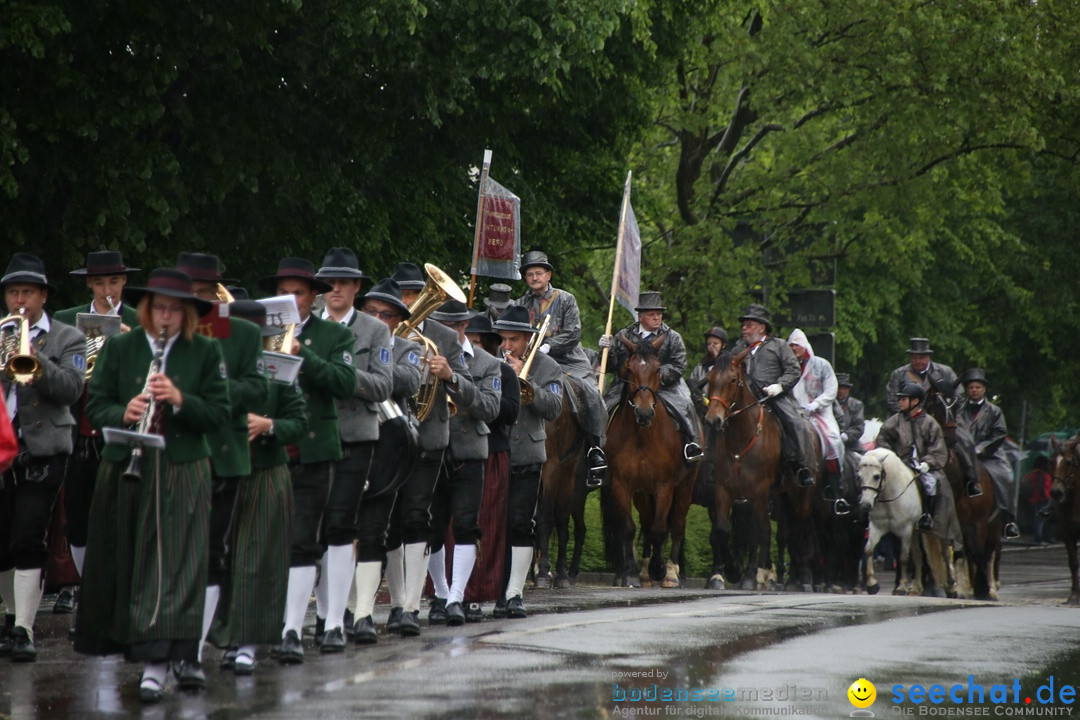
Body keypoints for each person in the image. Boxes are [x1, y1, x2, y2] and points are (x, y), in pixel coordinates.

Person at [74, 268, 230, 703]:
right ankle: (142, 650)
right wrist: (124, 412)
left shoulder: (203, 352)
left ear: (187, 315)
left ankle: (162, 662)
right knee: (132, 566)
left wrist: (180, 399)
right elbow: (98, 404)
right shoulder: (121, 347)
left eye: (175, 311)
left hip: (182, 469)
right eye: (159, 308)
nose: (165, 318)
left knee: (174, 566)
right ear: (145, 309)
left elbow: (218, 415)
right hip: (128, 466)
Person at [173, 252, 268, 687]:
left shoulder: (240, 331)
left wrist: (210, 391)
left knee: (212, 553)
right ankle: (166, 643)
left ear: (215, 293)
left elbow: (257, 386)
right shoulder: (158, 328)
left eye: (201, 293)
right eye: (185, 292)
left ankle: (191, 651)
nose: (192, 300)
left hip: (223, 453)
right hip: (170, 454)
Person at [258, 258, 358, 664]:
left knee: (305, 539)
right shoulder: (258, 332)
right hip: (270, 449)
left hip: (314, 451)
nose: (290, 300)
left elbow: (345, 383)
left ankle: (294, 630)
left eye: (298, 293)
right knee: (273, 540)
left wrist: (303, 355)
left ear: (312, 297)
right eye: (284, 292)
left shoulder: (334, 335)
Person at [210, 299, 307, 675]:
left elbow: (298, 422)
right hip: (221, 471)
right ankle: (226, 636)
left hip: (266, 472)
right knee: (223, 561)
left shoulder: (278, 369)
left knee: (257, 562)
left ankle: (247, 642)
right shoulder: (211, 370)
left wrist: (269, 425)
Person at [0, 253, 85, 663]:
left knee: (28, 537)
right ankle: (11, 620)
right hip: (3, 450)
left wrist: (35, 360)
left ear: (44, 296)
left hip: (46, 449)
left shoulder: (68, 337)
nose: (20, 300)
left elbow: (71, 389)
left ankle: (24, 628)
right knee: (2, 542)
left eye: (28, 293)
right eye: (14, 292)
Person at [308, 248, 393, 652]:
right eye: (328, 284)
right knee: (313, 529)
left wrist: (341, 376)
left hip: (356, 436)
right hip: (311, 435)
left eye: (343, 283)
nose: (334, 290)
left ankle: (337, 617)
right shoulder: (305, 327)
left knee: (342, 524)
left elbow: (382, 386)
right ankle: (324, 613)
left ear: (356, 287)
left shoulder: (376, 330)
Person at [383, 262, 473, 637]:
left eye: (415, 293)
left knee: (418, 516)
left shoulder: (443, 337)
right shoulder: (378, 330)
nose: (410, 301)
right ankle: (397, 600)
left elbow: (471, 393)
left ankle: (410, 606)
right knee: (389, 521)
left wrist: (449, 376)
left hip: (429, 437)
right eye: (403, 295)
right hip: (389, 434)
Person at [53, 250, 141, 621]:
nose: (108, 290)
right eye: (100, 282)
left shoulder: (139, 321)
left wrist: (131, 340)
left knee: (122, 518)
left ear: (124, 283)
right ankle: (89, 589)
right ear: (89, 283)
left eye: (114, 282)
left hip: (120, 432)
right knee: (77, 521)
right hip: (78, 430)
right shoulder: (65, 320)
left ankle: (116, 596)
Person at [350, 278, 423, 643]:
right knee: (345, 527)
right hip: (353, 436)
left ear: (397, 321)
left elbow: (410, 381)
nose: (378, 318)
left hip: (395, 443)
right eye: (372, 312)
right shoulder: (349, 337)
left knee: (392, 527)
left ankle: (399, 604)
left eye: (387, 315)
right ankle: (350, 610)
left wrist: (371, 364)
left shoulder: (408, 347)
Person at [425, 300, 501, 627]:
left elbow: (490, 408)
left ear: (463, 327)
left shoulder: (487, 363)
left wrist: (453, 377)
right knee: (433, 527)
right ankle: (441, 594)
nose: (442, 334)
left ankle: (457, 597)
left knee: (467, 524)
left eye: (450, 328)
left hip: (469, 449)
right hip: (433, 449)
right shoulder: (423, 352)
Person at [513, 250, 606, 484]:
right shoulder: (520, 304)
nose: (534, 278)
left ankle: (594, 449)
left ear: (548, 275)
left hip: (568, 359)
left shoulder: (566, 299)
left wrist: (548, 347)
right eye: (530, 274)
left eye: (538, 273)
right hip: (529, 359)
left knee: (591, 393)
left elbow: (574, 332)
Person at [494, 305, 561, 618]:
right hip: (495, 451)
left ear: (529, 340)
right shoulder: (491, 361)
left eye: (515, 340)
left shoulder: (546, 366)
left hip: (528, 455)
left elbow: (554, 408)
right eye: (504, 339)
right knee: (496, 525)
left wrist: (528, 383)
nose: (508, 346)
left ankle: (515, 592)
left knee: (521, 522)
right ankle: (495, 591)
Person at [599, 291, 703, 463]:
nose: (657, 318)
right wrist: (607, 350)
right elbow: (611, 366)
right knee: (602, 405)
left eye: (659, 314)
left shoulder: (673, 336)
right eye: (651, 314)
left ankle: (692, 443)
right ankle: (597, 449)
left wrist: (654, 376)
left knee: (686, 403)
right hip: (628, 385)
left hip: (667, 384)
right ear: (640, 317)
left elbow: (680, 365)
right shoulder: (623, 335)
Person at [461, 313, 519, 622]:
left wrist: (479, 402)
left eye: (478, 341)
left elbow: (510, 411)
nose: (471, 346)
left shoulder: (502, 371)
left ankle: (480, 593)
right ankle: (453, 592)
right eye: (468, 340)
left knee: (491, 526)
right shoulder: (455, 366)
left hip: (493, 452)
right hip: (459, 451)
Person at [728, 304, 816, 486]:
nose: (744, 328)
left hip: (773, 397)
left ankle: (800, 465)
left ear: (761, 327)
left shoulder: (779, 345)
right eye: (743, 325)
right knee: (717, 420)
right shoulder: (737, 349)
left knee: (796, 423)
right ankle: (712, 463)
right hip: (744, 399)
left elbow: (793, 370)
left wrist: (780, 386)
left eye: (749, 324)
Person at [885, 338, 982, 497]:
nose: (918, 361)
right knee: (884, 444)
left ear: (928, 357)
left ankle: (972, 481)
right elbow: (891, 400)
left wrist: (945, 414)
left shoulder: (945, 372)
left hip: (944, 420)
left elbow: (960, 398)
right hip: (907, 420)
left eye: (922, 357)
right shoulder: (899, 374)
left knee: (966, 441)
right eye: (915, 357)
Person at [787, 329, 847, 514]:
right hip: (795, 413)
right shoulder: (788, 368)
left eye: (797, 345)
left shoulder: (822, 365)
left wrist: (816, 404)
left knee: (833, 441)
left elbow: (831, 389)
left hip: (820, 413)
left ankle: (835, 489)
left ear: (805, 345)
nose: (794, 348)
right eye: (791, 345)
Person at [875, 383, 948, 532]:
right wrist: (892, 458)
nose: (899, 402)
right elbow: (882, 440)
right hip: (900, 463)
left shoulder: (930, 423)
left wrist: (928, 463)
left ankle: (927, 515)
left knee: (932, 482)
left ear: (914, 401)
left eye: (903, 399)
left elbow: (937, 447)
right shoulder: (893, 421)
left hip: (922, 465)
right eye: (900, 399)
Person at [956, 369, 1020, 539]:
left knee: (1007, 477)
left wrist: (982, 448)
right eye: (971, 387)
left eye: (977, 387)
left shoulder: (994, 411)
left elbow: (1000, 433)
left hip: (990, 456)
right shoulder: (959, 411)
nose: (974, 390)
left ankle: (1008, 519)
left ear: (984, 389)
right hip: (965, 455)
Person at [688, 325, 728, 408]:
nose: (712, 346)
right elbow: (692, 383)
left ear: (723, 345)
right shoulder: (701, 366)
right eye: (709, 344)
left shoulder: (728, 365)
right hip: (703, 406)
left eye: (716, 343)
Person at [832, 373, 866, 453]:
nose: (841, 391)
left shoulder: (856, 405)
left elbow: (858, 427)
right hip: (829, 443)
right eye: (839, 388)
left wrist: (846, 436)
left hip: (850, 446)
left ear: (848, 389)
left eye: (844, 388)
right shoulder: (827, 404)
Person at [1026, 456, 1052, 544]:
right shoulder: (1042, 474)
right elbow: (1042, 488)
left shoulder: (1034, 473)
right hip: (1043, 499)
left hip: (1036, 499)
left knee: (1040, 519)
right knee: (1040, 520)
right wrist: (1047, 498)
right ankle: (1039, 539)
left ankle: (1041, 538)